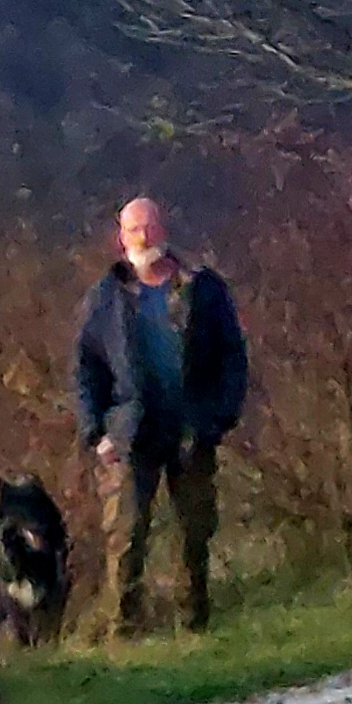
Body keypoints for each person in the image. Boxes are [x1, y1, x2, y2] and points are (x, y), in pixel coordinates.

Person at [72, 194, 249, 634]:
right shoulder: (106, 298)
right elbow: (86, 368)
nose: (143, 236)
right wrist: (96, 433)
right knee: (126, 536)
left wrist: (220, 416)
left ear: (164, 229)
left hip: (191, 427)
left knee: (196, 531)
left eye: (149, 226)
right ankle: (124, 632)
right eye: (134, 229)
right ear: (121, 238)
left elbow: (232, 355)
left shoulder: (202, 288)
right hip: (132, 433)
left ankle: (196, 627)